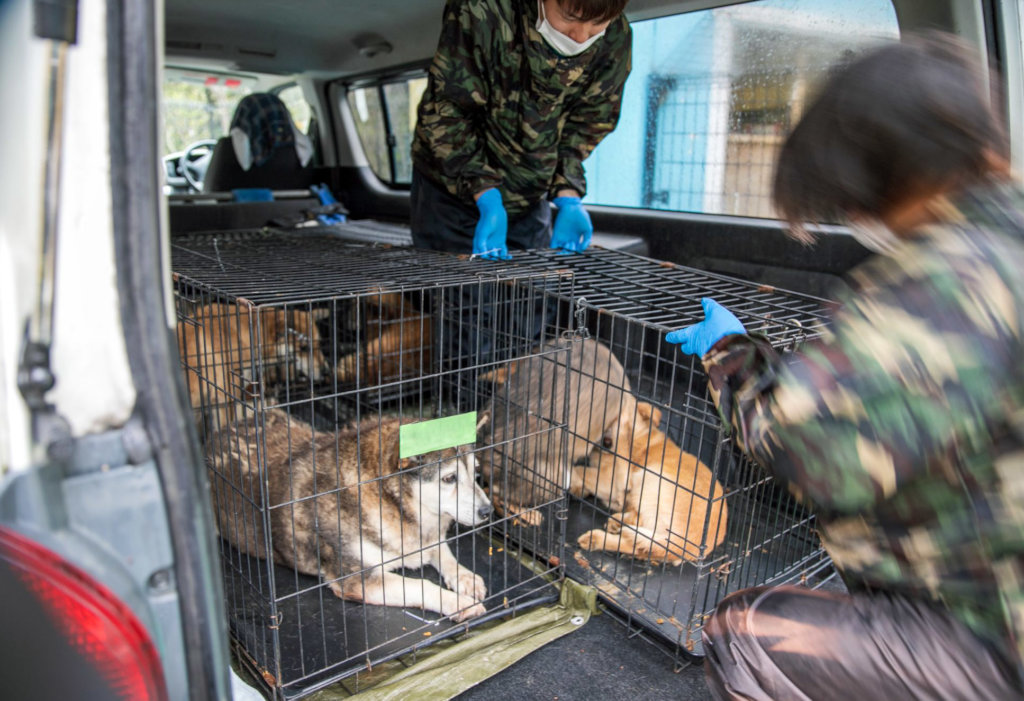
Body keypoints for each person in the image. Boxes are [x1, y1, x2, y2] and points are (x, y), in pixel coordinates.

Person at [666, 34, 1024, 700]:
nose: (854, 215)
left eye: (853, 198)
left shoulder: (946, 278)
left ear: (894, 173)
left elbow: (813, 449)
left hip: (993, 633)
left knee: (743, 632)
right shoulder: (1006, 240)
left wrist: (733, 355)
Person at [411, 0, 632, 259]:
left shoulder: (616, 37)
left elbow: (588, 124)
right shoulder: (482, 9)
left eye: (597, 25)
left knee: (535, 294)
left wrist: (568, 194)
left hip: (530, 196)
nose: (580, 36)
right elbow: (447, 111)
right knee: (463, 296)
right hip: (451, 193)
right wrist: (485, 194)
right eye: (570, 17)